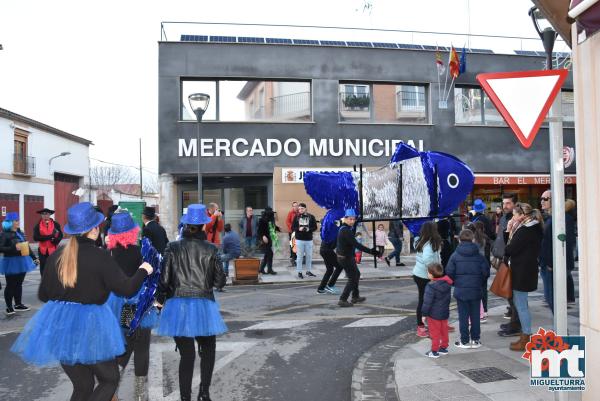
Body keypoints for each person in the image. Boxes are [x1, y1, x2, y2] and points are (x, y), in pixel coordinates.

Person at [11, 202, 153, 401]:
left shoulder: (57, 256)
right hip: (92, 326)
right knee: (109, 380)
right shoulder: (100, 256)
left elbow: (44, 295)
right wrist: (143, 270)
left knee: (83, 386)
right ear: (94, 230)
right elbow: (126, 289)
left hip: (61, 328)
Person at [156, 204, 227, 401]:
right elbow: (220, 281)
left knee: (186, 355)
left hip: (177, 306)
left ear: (186, 225)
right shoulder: (212, 249)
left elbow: (164, 280)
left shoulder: (172, 247)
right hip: (204, 304)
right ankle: (204, 392)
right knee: (209, 349)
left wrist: (159, 302)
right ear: (204, 226)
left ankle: (185, 398)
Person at [105, 212, 158, 401]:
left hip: (115, 305)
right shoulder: (141, 252)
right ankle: (141, 396)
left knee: (121, 348)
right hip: (139, 303)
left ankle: (112, 393)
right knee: (142, 348)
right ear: (132, 231)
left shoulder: (108, 253)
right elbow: (152, 278)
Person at [504, 203, 544, 351]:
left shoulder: (524, 231)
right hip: (526, 269)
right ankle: (525, 334)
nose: (513, 218)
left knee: (520, 304)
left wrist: (508, 230)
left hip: (522, 271)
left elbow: (509, 249)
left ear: (522, 215)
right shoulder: (534, 227)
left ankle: (526, 337)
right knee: (522, 303)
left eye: (514, 215)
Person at [446, 229, 490, 349]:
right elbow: (486, 272)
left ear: (459, 240)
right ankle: (475, 340)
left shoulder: (454, 256)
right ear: (473, 239)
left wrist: (456, 283)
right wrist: (479, 282)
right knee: (475, 315)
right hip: (476, 289)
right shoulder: (479, 256)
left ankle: (464, 340)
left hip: (461, 290)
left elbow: (449, 273)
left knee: (463, 316)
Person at [539, 191, 576, 311]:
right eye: (541, 199)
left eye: (545, 199)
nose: (542, 201)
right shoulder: (552, 217)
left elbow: (566, 243)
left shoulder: (564, 217)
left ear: (554, 200)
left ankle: (563, 330)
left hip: (554, 265)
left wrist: (552, 263)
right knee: (551, 299)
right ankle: (561, 329)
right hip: (547, 263)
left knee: (553, 299)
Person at [491, 193, 521, 337]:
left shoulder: (516, 219)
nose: (505, 206)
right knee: (509, 293)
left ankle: (516, 325)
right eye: (504, 203)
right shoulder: (504, 217)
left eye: (508, 203)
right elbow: (500, 237)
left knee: (514, 294)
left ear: (515, 204)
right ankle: (513, 321)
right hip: (502, 258)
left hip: (511, 260)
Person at [335, 209, 378, 307]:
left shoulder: (344, 228)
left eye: (353, 219)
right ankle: (342, 299)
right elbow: (357, 245)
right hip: (345, 258)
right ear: (345, 219)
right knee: (352, 278)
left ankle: (355, 296)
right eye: (350, 219)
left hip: (345, 257)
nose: (352, 221)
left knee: (356, 275)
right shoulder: (346, 231)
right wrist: (371, 251)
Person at [1, 212, 39, 315]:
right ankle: (9, 307)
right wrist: (13, 248)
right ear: (9, 223)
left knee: (19, 284)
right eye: (16, 221)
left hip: (22, 261)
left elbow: (26, 246)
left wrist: (34, 258)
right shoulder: (4, 234)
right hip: (11, 262)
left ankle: (18, 304)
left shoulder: (20, 232)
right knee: (10, 285)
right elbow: (1, 248)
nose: (18, 222)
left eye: (18, 220)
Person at [412, 221, 442, 337]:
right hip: (425, 276)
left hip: (420, 274)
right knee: (425, 301)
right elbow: (427, 260)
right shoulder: (429, 244)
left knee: (428, 300)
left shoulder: (422, 240)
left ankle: (432, 323)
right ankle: (420, 326)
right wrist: (435, 271)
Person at [421, 263, 453, 358]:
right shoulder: (447, 283)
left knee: (435, 333)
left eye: (428, 272)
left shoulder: (431, 286)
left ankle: (434, 351)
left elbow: (427, 302)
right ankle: (443, 347)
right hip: (444, 312)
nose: (427, 273)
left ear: (431, 274)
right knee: (444, 331)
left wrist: (424, 314)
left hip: (433, 314)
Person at [33, 208, 63, 276]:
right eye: (43, 214)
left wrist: (55, 240)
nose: (45, 215)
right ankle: (44, 282)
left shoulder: (56, 224)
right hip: (42, 250)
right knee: (43, 268)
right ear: (41, 215)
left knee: (53, 267)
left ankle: (52, 283)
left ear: (50, 215)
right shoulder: (37, 225)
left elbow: (60, 235)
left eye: (46, 214)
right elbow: (35, 237)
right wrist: (49, 237)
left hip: (53, 249)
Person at [292, 203, 317, 279]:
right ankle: (299, 272)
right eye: (299, 209)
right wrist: (298, 229)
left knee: (309, 256)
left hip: (309, 239)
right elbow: (292, 227)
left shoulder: (311, 217)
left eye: (302, 208)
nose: (300, 210)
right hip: (299, 239)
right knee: (299, 257)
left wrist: (309, 229)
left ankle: (308, 271)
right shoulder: (296, 217)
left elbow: (315, 227)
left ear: (305, 208)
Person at [257, 207, 278, 275]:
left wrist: (278, 229)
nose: (271, 213)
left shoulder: (271, 219)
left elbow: (272, 227)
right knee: (270, 253)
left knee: (267, 255)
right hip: (264, 240)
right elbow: (259, 230)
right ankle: (269, 269)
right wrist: (263, 236)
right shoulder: (262, 220)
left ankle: (261, 268)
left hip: (269, 239)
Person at [286, 202, 299, 266]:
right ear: (293, 207)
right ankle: (293, 259)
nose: (296, 207)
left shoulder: (300, 213)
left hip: (299, 232)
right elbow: (287, 222)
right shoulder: (290, 213)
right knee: (293, 246)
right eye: (294, 206)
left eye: (297, 206)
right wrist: (292, 227)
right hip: (292, 232)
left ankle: (298, 259)